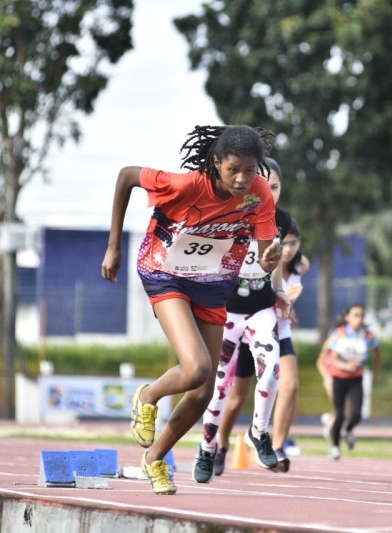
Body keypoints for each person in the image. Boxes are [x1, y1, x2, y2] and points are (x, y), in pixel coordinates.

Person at [101, 124, 283, 495]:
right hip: (165, 271)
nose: (242, 179)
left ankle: (155, 460)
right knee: (197, 366)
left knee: (203, 390)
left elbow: (264, 261)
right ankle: (148, 396)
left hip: (214, 283)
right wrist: (114, 245)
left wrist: (271, 258)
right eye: (234, 169)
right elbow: (125, 178)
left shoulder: (259, 193)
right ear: (216, 163)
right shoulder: (186, 185)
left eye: (250, 170)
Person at [194, 157, 296, 482]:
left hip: (262, 310)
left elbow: (276, 262)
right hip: (226, 314)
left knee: (271, 374)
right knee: (221, 390)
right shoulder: (227, 212)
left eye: (274, 185)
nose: (267, 190)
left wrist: (279, 291)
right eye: (260, 182)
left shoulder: (281, 220)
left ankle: (259, 432)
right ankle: (207, 448)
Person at [316, 303, 381, 460]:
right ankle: (335, 447)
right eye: (356, 315)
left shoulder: (368, 335)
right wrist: (328, 376)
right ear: (347, 317)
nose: (359, 318)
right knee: (340, 414)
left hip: (356, 379)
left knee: (357, 414)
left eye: (361, 315)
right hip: (338, 378)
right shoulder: (339, 334)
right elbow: (326, 360)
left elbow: (377, 352)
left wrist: (378, 371)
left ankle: (349, 428)